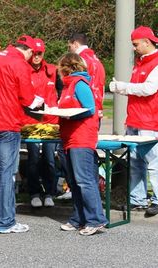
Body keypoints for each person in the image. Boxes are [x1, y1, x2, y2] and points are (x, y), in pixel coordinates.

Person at [0, 35, 44, 234]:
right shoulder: (19, 63)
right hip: (8, 124)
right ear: (29, 51)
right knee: (6, 173)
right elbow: (27, 98)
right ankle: (5, 221)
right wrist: (37, 102)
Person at [109, 26, 158, 216]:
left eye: (135, 44)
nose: (134, 48)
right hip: (135, 119)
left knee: (153, 162)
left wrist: (121, 87)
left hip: (150, 121)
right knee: (135, 162)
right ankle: (138, 199)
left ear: (146, 42)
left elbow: (148, 89)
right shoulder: (142, 63)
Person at [57, 52, 107, 236]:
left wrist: (69, 114)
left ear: (66, 68)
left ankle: (95, 219)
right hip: (70, 137)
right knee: (75, 182)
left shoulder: (79, 84)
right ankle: (78, 218)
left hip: (81, 138)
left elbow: (89, 109)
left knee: (84, 181)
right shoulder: (69, 85)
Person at [24, 38, 61, 208]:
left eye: (40, 53)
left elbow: (62, 91)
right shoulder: (23, 70)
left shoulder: (53, 70)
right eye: (34, 53)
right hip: (31, 122)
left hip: (51, 121)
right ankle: (34, 192)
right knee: (32, 159)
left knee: (49, 159)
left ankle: (50, 192)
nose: (37, 56)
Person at [68, 33, 106, 121]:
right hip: (97, 106)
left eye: (69, 47)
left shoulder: (79, 60)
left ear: (75, 44)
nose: (69, 50)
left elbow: (76, 84)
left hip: (84, 109)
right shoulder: (97, 60)